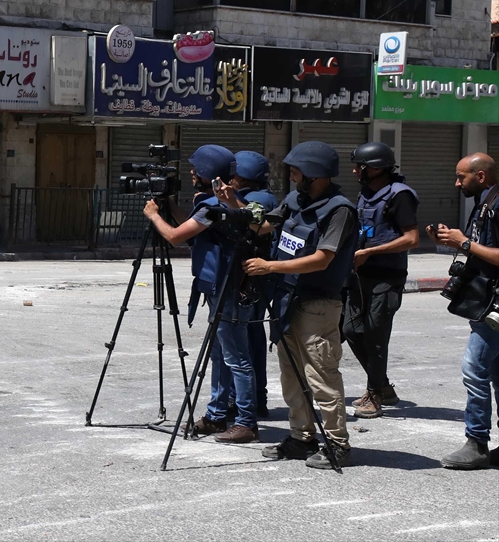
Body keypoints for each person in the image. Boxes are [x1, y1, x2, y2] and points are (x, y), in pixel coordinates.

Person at [243, 141, 357, 469]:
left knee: (321, 376)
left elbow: (323, 259)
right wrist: (232, 207)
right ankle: (301, 437)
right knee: (291, 375)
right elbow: (266, 224)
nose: (291, 177)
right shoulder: (296, 199)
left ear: (314, 173)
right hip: (286, 300)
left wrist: (270, 267)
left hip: (318, 304)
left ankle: (338, 445)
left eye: (295, 171)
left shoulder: (339, 210)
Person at [143, 145, 259, 443]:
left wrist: (155, 215)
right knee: (220, 357)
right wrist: (170, 206)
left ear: (209, 173)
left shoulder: (215, 206)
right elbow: (193, 223)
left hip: (228, 290)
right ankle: (217, 416)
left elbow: (175, 237)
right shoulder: (221, 202)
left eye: (196, 170)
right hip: (220, 288)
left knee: (236, 358)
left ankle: (246, 421)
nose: (191, 174)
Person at [426, 153, 499, 470]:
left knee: (474, 368)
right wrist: (452, 240)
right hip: (484, 300)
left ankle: (477, 442)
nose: (457, 183)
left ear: (480, 176)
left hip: (494, 306)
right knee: (496, 374)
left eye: (461, 177)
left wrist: (465, 244)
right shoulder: (486, 201)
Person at [343, 142, 419, 419]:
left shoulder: (400, 196)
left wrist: (370, 252)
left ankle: (374, 394)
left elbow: (412, 238)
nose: (354, 171)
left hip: (387, 277)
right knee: (351, 330)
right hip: (361, 275)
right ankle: (383, 386)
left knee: (375, 335)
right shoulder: (368, 193)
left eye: (359, 167)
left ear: (375, 168)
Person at [216, 151, 279, 418]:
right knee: (251, 337)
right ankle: (254, 397)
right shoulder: (262, 196)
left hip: (252, 277)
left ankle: (247, 400)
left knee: (246, 341)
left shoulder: (255, 200)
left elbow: (245, 225)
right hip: (258, 277)